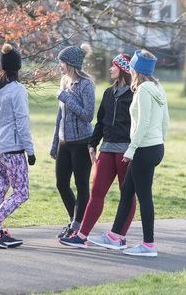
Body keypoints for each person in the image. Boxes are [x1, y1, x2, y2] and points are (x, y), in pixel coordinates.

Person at [90, 49, 169, 257]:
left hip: (144, 148)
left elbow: (142, 122)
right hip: (154, 146)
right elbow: (165, 120)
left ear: (136, 69)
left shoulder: (143, 90)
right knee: (126, 190)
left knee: (144, 197)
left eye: (132, 66)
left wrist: (132, 150)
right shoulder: (158, 87)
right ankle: (115, 236)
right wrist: (159, 141)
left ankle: (149, 245)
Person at [58, 53, 137, 248]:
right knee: (96, 192)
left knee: (126, 194)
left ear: (124, 70)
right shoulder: (108, 94)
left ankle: (119, 236)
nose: (110, 69)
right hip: (107, 149)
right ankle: (81, 235)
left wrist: (134, 149)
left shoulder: (134, 95)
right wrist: (93, 144)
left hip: (126, 151)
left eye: (114, 66)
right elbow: (100, 122)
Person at [0, 44, 35, 249]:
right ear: (18, 67)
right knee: (21, 192)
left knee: (0, 190)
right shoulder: (17, 90)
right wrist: (30, 150)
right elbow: (22, 122)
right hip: (10, 148)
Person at [50, 44, 95, 239]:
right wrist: (54, 145)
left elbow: (88, 115)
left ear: (72, 64)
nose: (59, 65)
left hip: (82, 142)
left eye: (62, 62)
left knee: (82, 185)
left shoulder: (86, 85)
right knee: (61, 183)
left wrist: (67, 98)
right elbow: (59, 117)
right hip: (64, 142)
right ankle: (73, 219)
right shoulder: (64, 82)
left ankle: (77, 225)